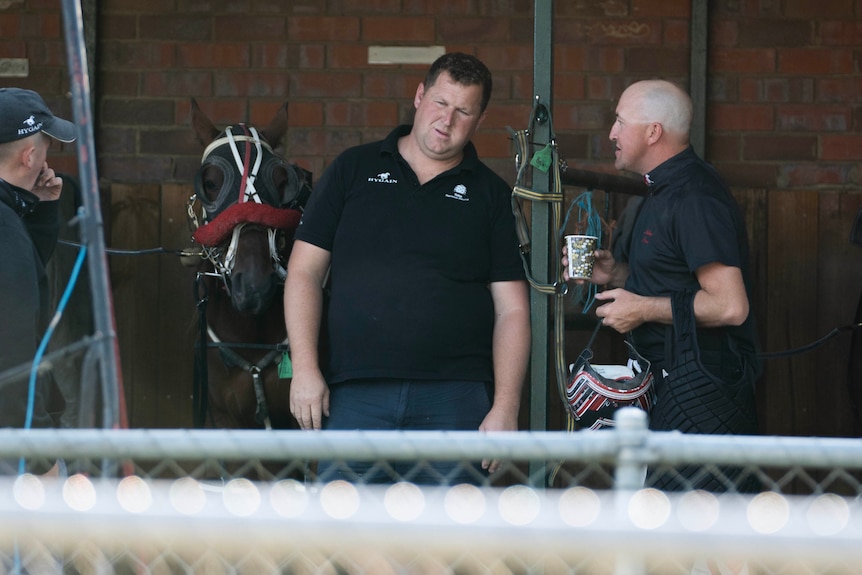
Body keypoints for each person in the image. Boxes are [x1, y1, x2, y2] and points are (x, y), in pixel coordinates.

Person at [284, 52, 531, 485]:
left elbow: (511, 309)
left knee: (448, 545)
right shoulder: (352, 170)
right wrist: (304, 368)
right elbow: (303, 272)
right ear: (419, 96)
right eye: (440, 102)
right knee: (344, 537)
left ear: (479, 119)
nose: (447, 120)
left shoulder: (491, 195)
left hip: (456, 400)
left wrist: (506, 405)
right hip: (355, 394)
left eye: (463, 111)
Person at [564, 79, 761, 493]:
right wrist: (615, 275)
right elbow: (673, 280)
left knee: (706, 537)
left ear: (653, 132)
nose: (612, 134)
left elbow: (729, 306)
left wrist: (642, 309)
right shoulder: (660, 191)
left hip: (704, 387)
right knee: (677, 535)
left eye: (620, 122)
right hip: (673, 383)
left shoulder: (695, 196)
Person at [0, 87, 76, 472]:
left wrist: (42, 210)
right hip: (12, 444)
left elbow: (20, 269)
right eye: (46, 148)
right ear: (30, 156)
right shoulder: (5, 227)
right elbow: (12, 357)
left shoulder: (10, 221)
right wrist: (39, 456)